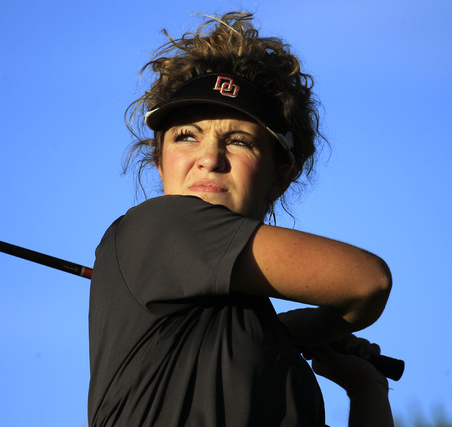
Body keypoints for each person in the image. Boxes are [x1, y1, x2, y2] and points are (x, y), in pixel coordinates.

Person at [88, 11, 394, 427]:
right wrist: (312, 328)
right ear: (159, 162)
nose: (209, 159)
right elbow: (367, 281)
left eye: (238, 140)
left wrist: (366, 388)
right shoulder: (157, 226)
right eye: (186, 136)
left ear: (279, 175)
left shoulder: (289, 376)